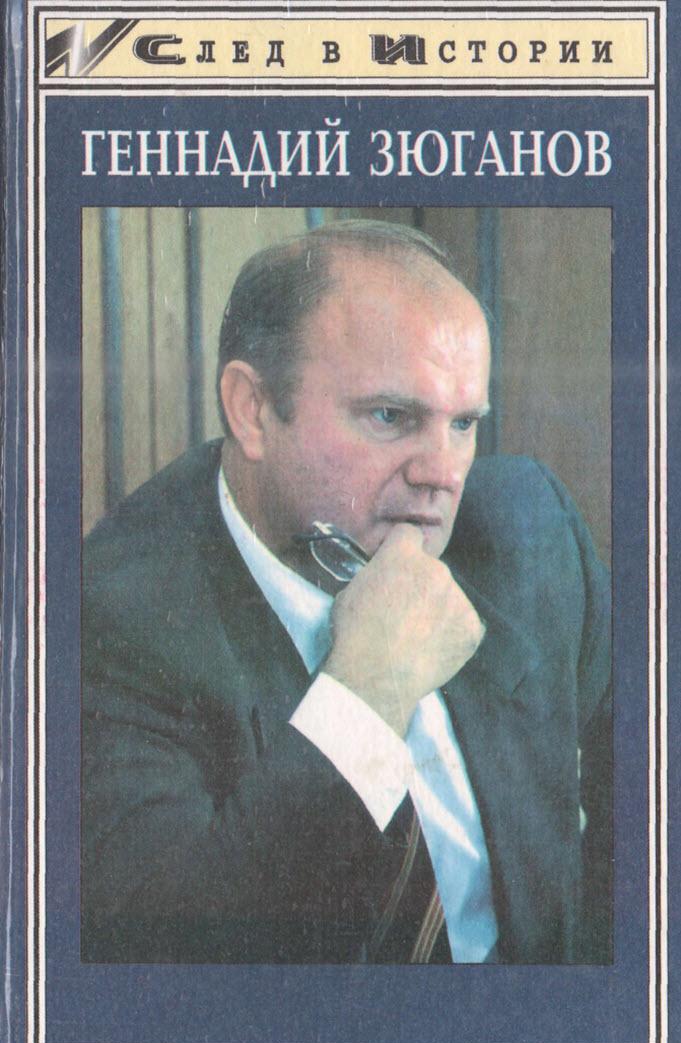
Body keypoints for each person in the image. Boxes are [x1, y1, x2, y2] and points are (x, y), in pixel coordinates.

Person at [82, 219, 611, 965]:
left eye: (463, 424)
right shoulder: (110, 617)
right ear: (252, 410)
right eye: (391, 417)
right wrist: (366, 697)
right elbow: (179, 955)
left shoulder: (528, 530)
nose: (442, 474)